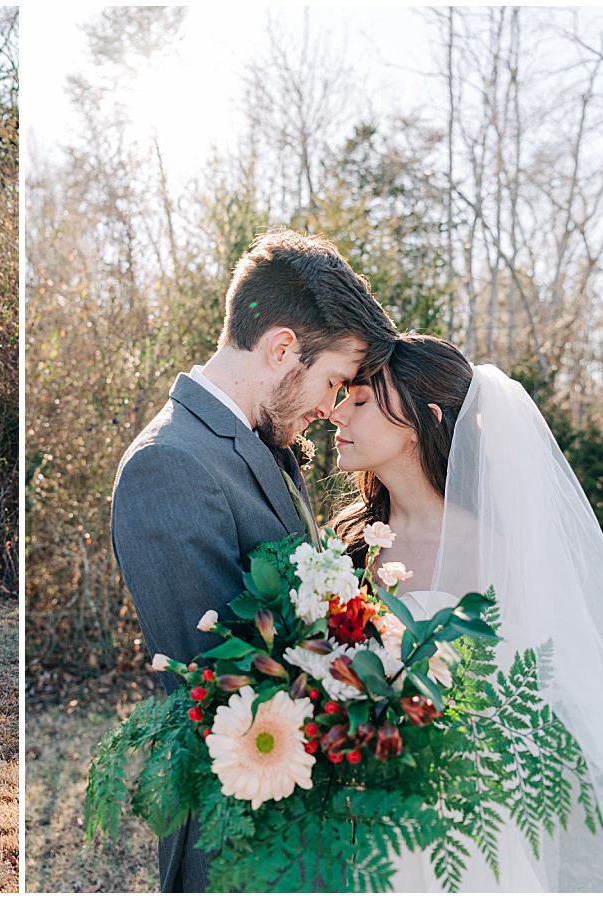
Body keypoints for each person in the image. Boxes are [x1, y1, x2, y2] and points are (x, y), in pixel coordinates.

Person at [110, 229, 398, 892]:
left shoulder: (264, 444)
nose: (331, 409)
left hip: (305, 831)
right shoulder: (169, 465)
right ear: (280, 348)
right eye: (332, 381)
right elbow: (219, 689)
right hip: (241, 850)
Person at [329, 333, 603, 891]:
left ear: (427, 418)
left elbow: (516, 716)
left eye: (361, 401)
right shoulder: (345, 545)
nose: (337, 412)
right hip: (347, 820)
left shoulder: (495, 553)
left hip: (453, 830)